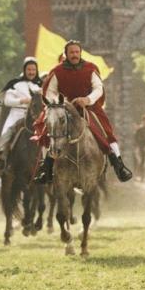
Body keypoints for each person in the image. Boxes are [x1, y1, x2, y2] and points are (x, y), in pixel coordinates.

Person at [32, 40, 132, 183]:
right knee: (48, 132)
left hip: (88, 109)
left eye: (77, 52)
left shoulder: (90, 69)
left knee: (105, 132)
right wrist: (60, 103)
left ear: (80, 53)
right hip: (63, 110)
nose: (75, 55)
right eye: (71, 52)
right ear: (66, 54)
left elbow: (98, 88)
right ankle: (46, 168)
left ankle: (118, 165)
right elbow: (49, 92)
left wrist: (87, 99)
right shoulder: (57, 71)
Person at [0, 57, 42, 170]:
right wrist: (22, 101)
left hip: (35, 115)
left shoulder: (39, 86)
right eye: (29, 69)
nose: (31, 72)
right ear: (24, 70)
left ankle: (49, 160)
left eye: (33, 70)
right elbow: (7, 101)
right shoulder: (15, 84)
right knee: (7, 131)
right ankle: (2, 157)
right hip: (17, 114)